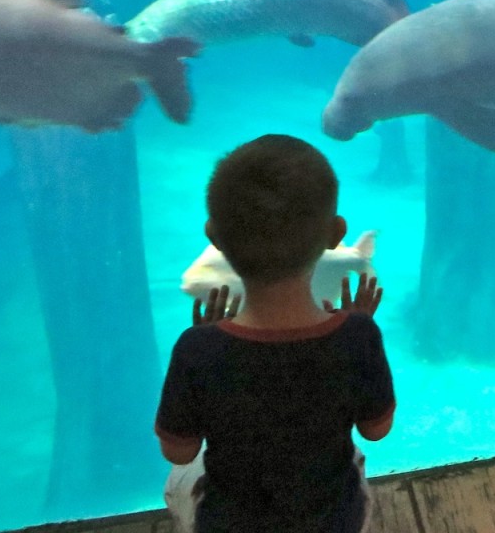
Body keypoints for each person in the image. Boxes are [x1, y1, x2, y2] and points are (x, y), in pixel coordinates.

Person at [154, 134, 396, 533]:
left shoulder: (196, 349)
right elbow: (375, 431)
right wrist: (359, 324)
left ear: (213, 236)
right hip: (336, 523)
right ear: (336, 232)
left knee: (179, 480)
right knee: (354, 461)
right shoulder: (358, 336)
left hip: (230, 525)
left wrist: (206, 341)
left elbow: (179, 452)